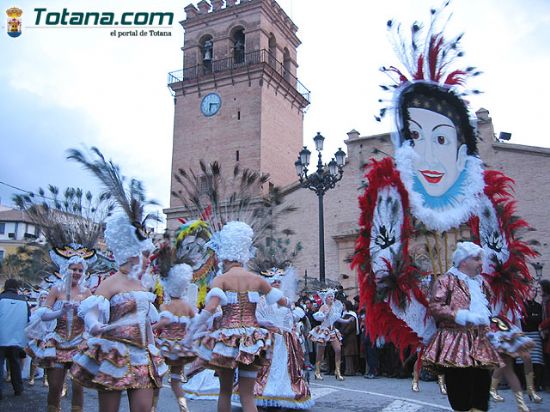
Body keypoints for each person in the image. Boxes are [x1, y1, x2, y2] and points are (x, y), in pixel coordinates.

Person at [186, 221, 289, 412]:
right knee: (247, 395)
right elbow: (282, 301)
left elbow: (210, 309)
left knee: (225, 392)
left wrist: (192, 331)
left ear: (224, 255)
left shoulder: (221, 279)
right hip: (253, 340)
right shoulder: (257, 280)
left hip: (227, 341)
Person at [70, 214, 168, 412]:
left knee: (143, 408)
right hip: (113, 354)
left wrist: (153, 348)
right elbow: (92, 312)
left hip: (141, 355)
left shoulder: (142, 284)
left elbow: (144, 322)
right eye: (145, 254)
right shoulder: (111, 282)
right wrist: (94, 324)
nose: (148, 260)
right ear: (132, 253)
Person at [422, 242, 502, 412]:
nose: (481, 263)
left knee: (481, 387)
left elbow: (488, 310)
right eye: (477, 259)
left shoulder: (482, 284)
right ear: (463, 261)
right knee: (460, 388)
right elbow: (436, 307)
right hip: (455, 340)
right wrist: (460, 315)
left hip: (480, 340)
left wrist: (493, 329)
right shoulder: (447, 281)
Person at [27, 253, 92, 412]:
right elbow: (43, 315)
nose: (77, 272)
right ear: (66, 269)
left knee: (78, 386)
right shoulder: (56, 290)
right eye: (73, 269)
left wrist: (83, 312)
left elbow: (92, 320)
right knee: (55, 387)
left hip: (79, 344)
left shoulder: (87, 293)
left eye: (80, 270)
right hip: (57, 342)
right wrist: (60, 311)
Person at [250, 267, 314, 409]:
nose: (277, 284)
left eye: (279, 282)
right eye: (274, 282)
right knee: (267, 369)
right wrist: (268, 325)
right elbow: (257, 317)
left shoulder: (286, 300)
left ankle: (283, 395)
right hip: (269, 339)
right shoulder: (261, 300)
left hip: (285, 340)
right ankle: (266, 394)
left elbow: (291, 317)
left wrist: (291, 326)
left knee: (285, 368)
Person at [153, 263, 196, 412]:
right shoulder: (187, 306)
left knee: (157, 377)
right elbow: (195, 323)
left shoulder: (167, 306)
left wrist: (151, 328)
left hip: (165, 346)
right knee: (176, 381)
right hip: (181, 347)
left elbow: (164, 321)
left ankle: (152, 408)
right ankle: (183, 408)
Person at [308, 288, 352, 381]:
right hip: (324, 330)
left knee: (338, 349)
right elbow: (318, 317)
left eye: (332, 296)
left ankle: (338, 371)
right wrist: (325, 314)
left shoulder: (335, 307)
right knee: (321, 352)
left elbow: (337, 318)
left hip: (332, 331)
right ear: (326, 298)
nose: (331, 298)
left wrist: (347, 321)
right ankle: (317, 372)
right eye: (329, 296)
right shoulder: (323, 307)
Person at [0, 278, 29, 400]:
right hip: (16, 338)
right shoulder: (24, 301)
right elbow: (28, 318)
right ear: (17, 288)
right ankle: (18, 389)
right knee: (15, 364)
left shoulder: (1, 299)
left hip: (1, 337)